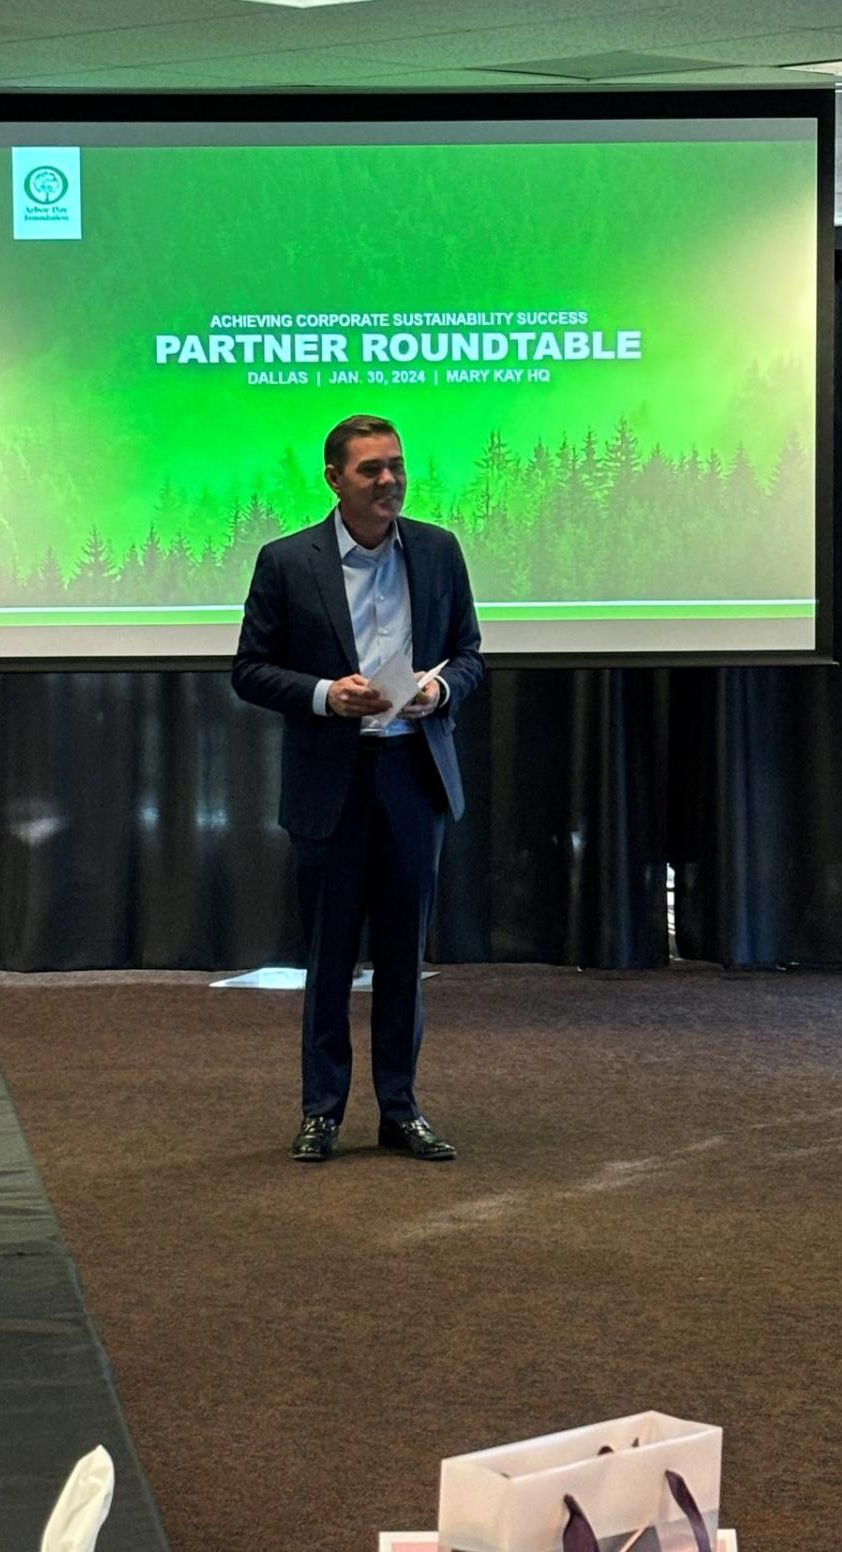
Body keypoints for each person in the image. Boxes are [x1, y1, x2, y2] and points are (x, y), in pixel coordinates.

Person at [232, 414, 484, 1163]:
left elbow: (469, 654)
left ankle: (400, 1110)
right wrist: (322, 695)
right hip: (331, 785)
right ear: (335, 480)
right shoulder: (286, 561)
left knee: (405, 956)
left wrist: (441, 692)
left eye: (398, 467)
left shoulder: (438, 551)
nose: (390, 482)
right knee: (330, 956)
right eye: (372, 470)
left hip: (414, 775)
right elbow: (248, 668)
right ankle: (322, 1112)